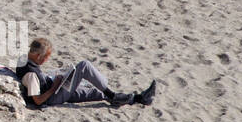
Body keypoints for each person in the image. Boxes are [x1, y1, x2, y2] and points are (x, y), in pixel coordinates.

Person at [15, 37, 155, 109]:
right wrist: (54, 86)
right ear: (39, 55)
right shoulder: (31, 74)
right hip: (53, 96)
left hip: (54, 86)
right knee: (84, 66)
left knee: (95, 92)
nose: (46, 60)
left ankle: (138, 98)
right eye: (46, 57)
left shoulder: (25, 59)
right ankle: (113, 95)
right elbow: (38, 100)